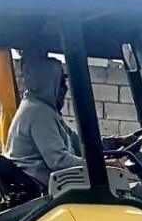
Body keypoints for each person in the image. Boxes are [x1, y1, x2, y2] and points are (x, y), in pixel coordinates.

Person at [6, 52, 84, 189]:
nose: (64, 90)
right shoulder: (39, 113)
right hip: (44, 187)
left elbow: (78, 142)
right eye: (60, 83)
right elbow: (59, 161)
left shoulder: (40, 108)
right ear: (49, 83)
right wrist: (100, 165)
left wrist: (115, 142)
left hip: (50, 184)